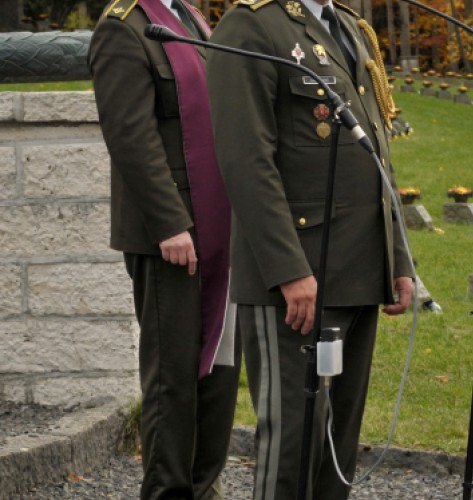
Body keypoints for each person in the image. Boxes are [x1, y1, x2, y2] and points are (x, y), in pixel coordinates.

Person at [206, 0, 415, 498]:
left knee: (337, 453)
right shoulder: (250, 25)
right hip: (298, 278)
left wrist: (398, 258)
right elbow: (246, 160)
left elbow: (376, 151)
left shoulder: (346, 26)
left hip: (360, 270)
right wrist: (287, 268)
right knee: (293, 447)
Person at [89, 0, 241, 498]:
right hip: (172, 239)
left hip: (220, 230)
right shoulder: (122, 27)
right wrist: (170, 223)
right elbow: (129, 134)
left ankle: (202, 485)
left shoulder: (192, 19)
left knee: (217, 378)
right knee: (173, 382)